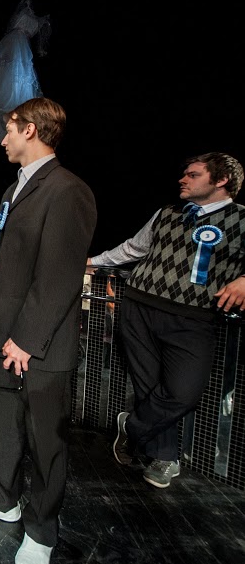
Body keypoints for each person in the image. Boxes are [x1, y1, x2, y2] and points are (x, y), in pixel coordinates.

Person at [0, 98, 96, 564]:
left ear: (30, 130)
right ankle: (1, 499)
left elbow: (59, 275)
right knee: (0, 423)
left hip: (41, 343)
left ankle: (42, 531)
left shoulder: (68, 191)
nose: (3, 139)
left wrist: (28, 339)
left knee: (45, 440)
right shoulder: (12, 189)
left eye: (9, 129)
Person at [89, 152, 245, 488]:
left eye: (193, 174)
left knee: (183, 393)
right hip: (140, 307)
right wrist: (93, 261)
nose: (183, 179)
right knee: (148, 387)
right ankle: (165, 458)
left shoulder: (242, 219)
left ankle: (131, 427)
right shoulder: (167, 213)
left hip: (194, 319)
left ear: (221, 180)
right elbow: (133, 249)